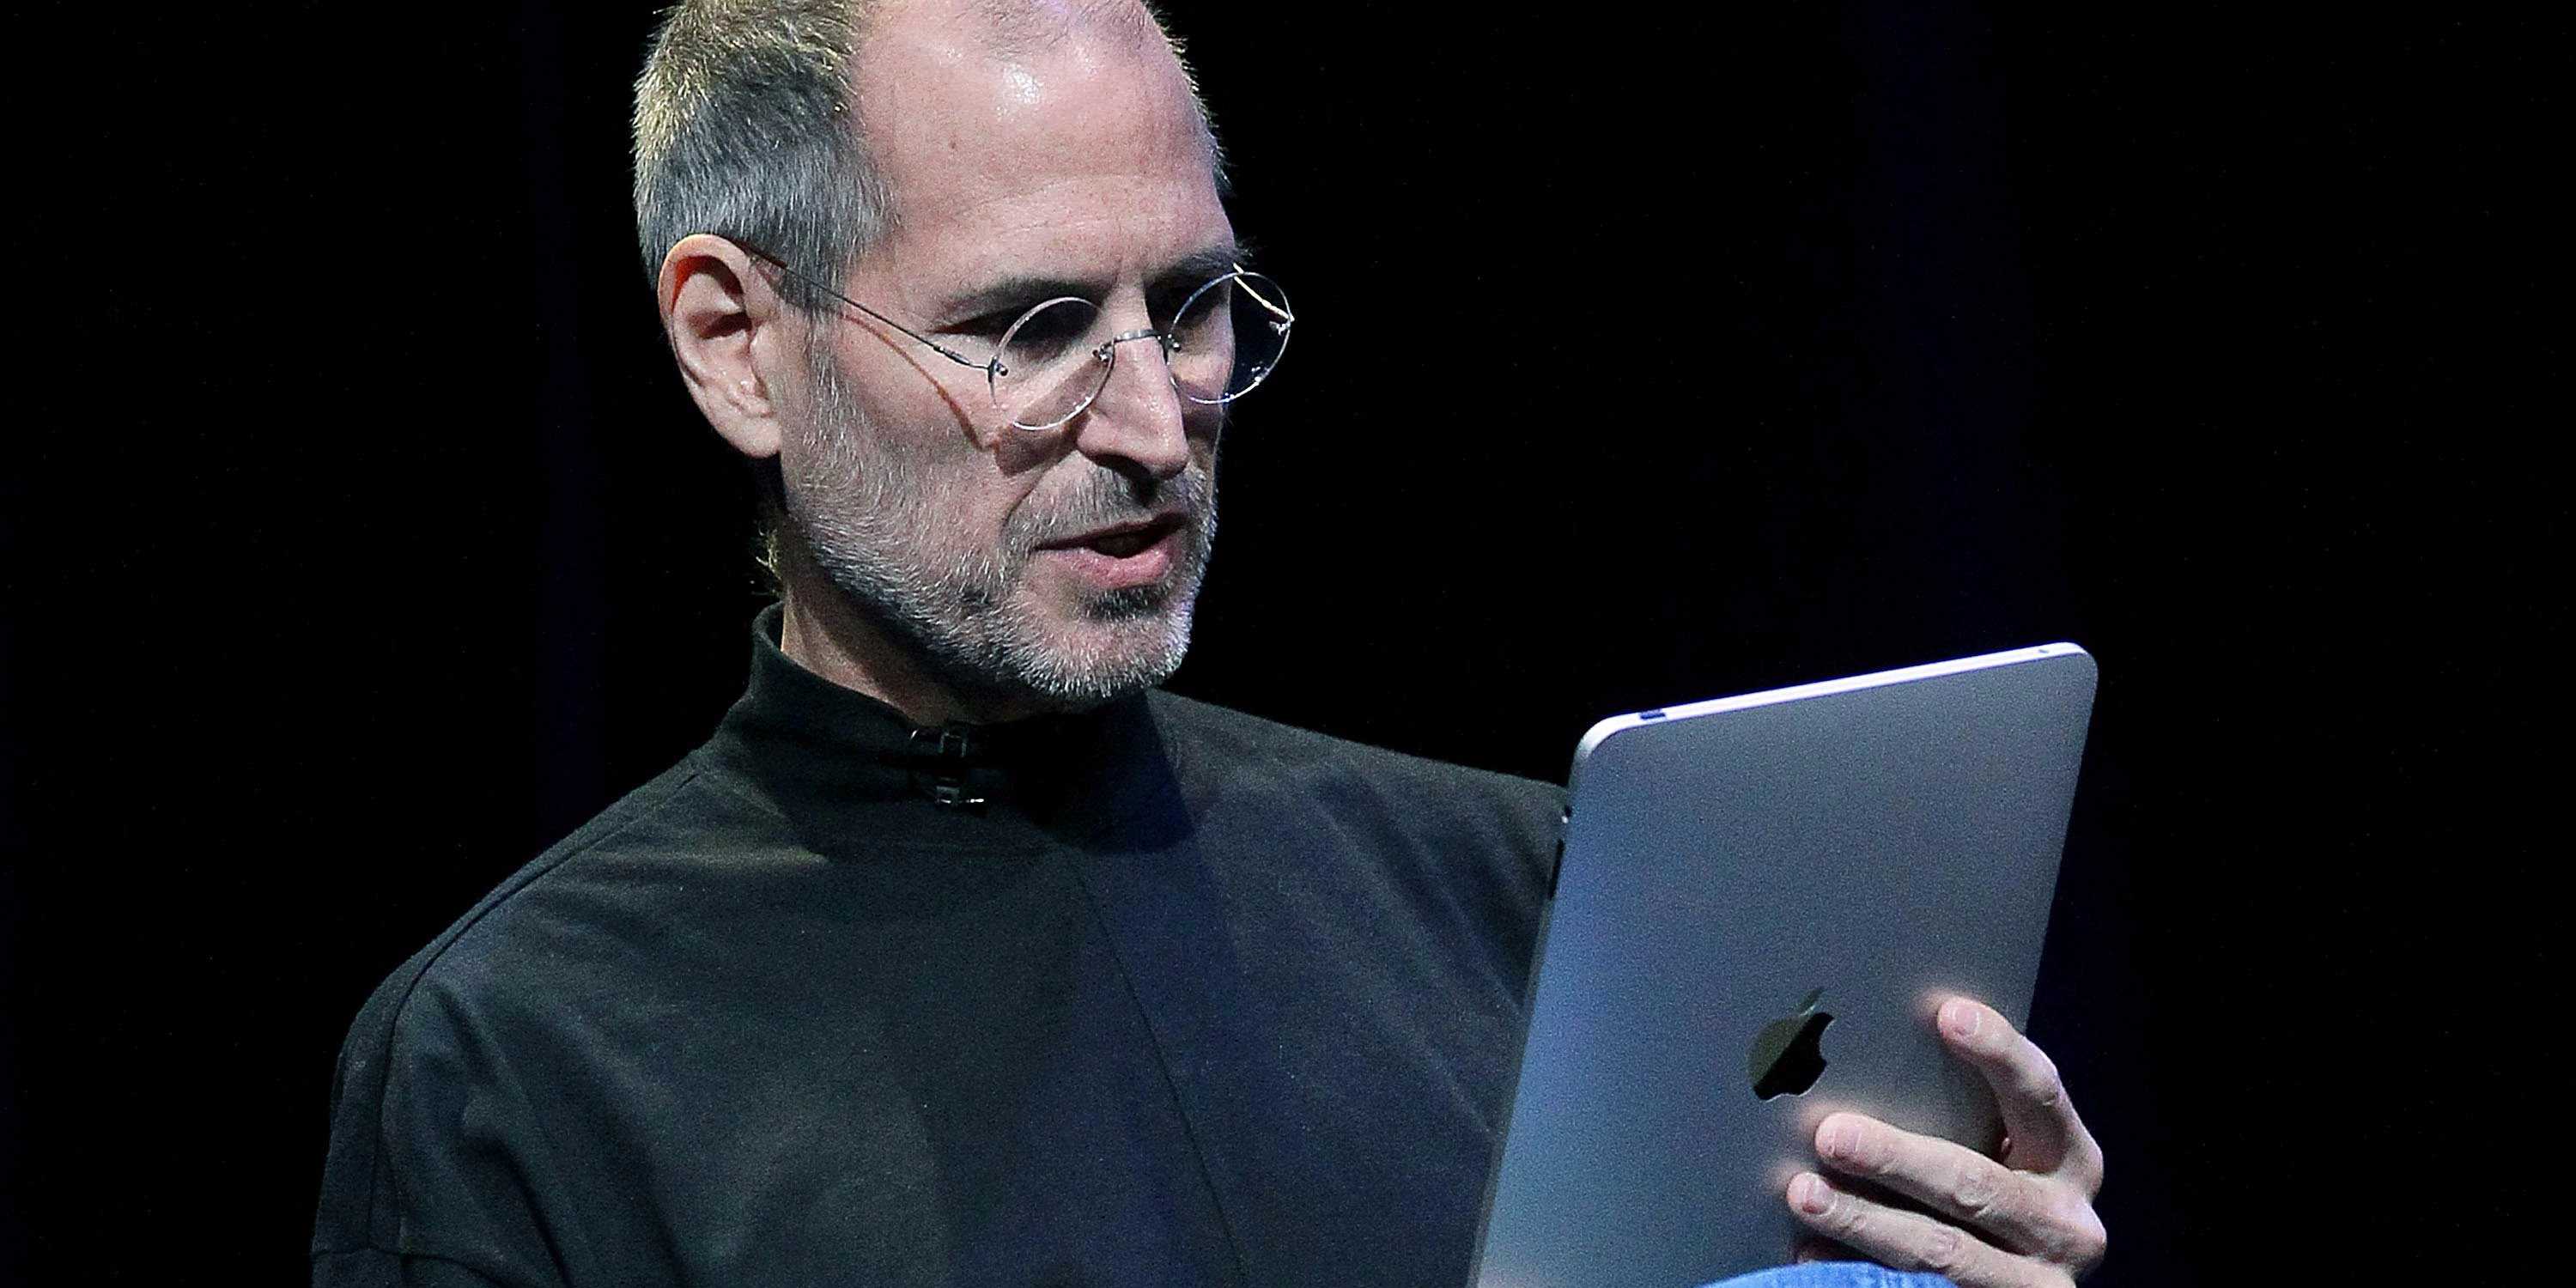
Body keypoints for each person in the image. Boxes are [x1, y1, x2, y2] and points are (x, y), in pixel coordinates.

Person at [309, 3, 2108, 1285]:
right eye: (1029, 329)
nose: (1157, 427)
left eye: (1188, 307)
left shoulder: (1526, 893)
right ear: (734, 346)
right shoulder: (523, 1057)